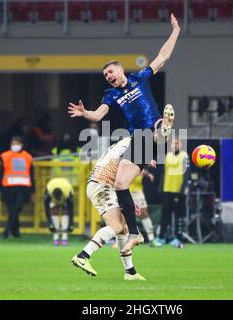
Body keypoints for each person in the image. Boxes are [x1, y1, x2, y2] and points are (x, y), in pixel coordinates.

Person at [68, 13, 180, 253]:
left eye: (111, 72)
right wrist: (85, 112)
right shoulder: (110, 95)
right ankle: (136, 234)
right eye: (105, 75)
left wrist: (176, 31)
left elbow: (163, 56)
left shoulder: (140, 78)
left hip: (150, 132)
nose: (108, 76)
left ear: (120, 70)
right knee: (120, 183)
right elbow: (98, 116)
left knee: (157, 130)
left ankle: (164, 129)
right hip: (137, 140)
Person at [71, 137, 151, 280]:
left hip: (102, 185)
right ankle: (83, 256)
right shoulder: (133, 145)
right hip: (103, 185)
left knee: (124, 228)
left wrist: (129, 203)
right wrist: (144, 161)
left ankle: (130, 272)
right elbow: (122, 175)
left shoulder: (124, 144)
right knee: (117, 226)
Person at [0, 136, 35, 239]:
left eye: (17, 143)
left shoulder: (28, 157)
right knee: (12, 210)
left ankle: (6, 230)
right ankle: (16, 232)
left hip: (22, 187)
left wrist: (33, 192)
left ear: (22, 144)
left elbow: (32, 175)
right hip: (7, 187)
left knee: (16, 208)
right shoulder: (5, 156)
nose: (15, 145)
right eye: (13, 143)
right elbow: (0, 174)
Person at [157, 138, 189, 248]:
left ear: (180, 145)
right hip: (167, 189)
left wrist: (182, 189)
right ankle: (161, 237)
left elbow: (187, 174)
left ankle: (179, 238)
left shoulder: (184, 156)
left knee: (179, 215)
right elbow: (164, 172)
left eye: (177, 143)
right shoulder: (168, 156)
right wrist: (161, 186)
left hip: (178, 190)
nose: (175, 145)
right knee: (164, 215)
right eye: (173, 143)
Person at [130, 169, 161, 246]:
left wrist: (147, 174)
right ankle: (121, 240)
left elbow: (142, 170)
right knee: (124, 215)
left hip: (138, 192)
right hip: (126, 191)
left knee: (144, 214)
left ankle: (152, 239)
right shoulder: (125, 161)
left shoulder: (140, 161)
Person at [44, 177, 74, 246]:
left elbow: (71, 209)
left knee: (65, 211)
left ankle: (64, 238)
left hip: (65, 190)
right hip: (53, 190)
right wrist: (50, 223)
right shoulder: (48, 190)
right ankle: (56, 238)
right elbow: (46, 208)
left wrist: (71, 224)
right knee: (54, 210)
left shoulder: (68, 192)